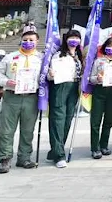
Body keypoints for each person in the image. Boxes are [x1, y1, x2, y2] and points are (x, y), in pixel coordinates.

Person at [0, 30, 42, 174]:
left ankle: (24, 158)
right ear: (21, 40)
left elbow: (46, 76)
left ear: (37, 42)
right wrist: (6, 81)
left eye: (31, 40)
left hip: (31, 97)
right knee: (6, 130)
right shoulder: (10, 57)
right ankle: (5, 158)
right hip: (12, 96)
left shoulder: (41, 58)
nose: (28, 42)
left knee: (27, 130)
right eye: (25, 39)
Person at [46, 30, 83, 168]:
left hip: (74, 87)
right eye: (72, 37)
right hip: (60, 86)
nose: (74, 40)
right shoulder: (58, 55)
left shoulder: (78, 56)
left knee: (67, 119)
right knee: (58, 120)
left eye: (77, 38)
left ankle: (55, 149)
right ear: (66, 39)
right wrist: (51, 74)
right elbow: (50, 75)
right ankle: (59, 155)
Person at [89, 37, 112, 159]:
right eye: (109, 46)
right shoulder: (98, 61)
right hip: (99, 91)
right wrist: (97, 78)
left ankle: (104, 145)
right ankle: (95, 148)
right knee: (96, 121)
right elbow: (91, 78)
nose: (111, 49)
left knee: (109, 121)